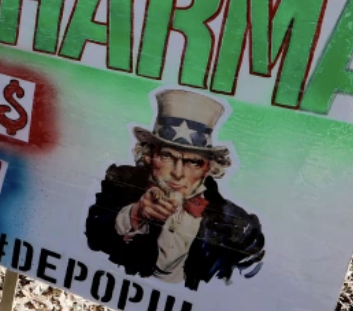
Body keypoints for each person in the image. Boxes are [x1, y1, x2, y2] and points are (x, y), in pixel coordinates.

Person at [84, 89, 265, 291]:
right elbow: (94, 236)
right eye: (167, 156)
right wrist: (136, 214)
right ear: (149, 154)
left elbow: (241, 289)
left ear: (209, 167)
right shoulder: (120, 181)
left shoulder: (240, 226)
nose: (178, 173)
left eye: (193, 162)